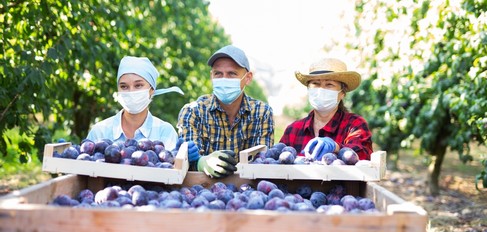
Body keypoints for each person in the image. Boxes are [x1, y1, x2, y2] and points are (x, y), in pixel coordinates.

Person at [177, 45, 274, 178]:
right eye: (218, 74)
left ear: (248, 77)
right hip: (202, 190)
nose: (224, 79)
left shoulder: (262, 113)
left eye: (232, 74)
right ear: (211, 76)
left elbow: (262, 162)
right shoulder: (193, 112)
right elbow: (186, 162)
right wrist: (200, 162)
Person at [279, 57, 373, 161]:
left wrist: (336, 147)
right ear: (308, 89)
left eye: (329, 84)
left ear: (342, 93)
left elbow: (363, 155)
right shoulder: (293, 130)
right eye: (315, 84)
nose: (321, 90)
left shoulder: (355, 125)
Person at [86, 56, 184, 151]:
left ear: (152, 90)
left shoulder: (165, 132)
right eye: (124, 87)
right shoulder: (99, 132)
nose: (131, 92)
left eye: (138, 85)